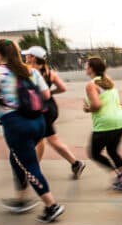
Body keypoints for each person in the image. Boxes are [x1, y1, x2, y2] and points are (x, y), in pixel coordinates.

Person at [0, 39, 65, 223]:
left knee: (29, 165)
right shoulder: (31, 71)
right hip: (38, 122)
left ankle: (51, 205)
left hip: (16, 125)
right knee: (16, 159)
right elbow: (46, 95)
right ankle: (22, 199)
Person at [22, 46, 85, 179]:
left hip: (41, 109)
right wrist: (50, 92)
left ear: (33, 57)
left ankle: (75, 163)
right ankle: (74, 164)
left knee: (48, 140)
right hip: (51, 107)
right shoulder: (49, 72)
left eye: (28, 55)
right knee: (43, 139)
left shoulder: (30, 72)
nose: (26, 57)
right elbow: (62, 88)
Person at [83, 56, 122, 190]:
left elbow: (97, 105)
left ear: (91, 69)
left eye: (86, 65)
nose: (85, 67)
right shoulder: (108, 81)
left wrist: (87, 109)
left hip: (105, 125)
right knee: (112, 151)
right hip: (120, 122)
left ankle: (120, 175)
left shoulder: (91, 85)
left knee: (94, 153)